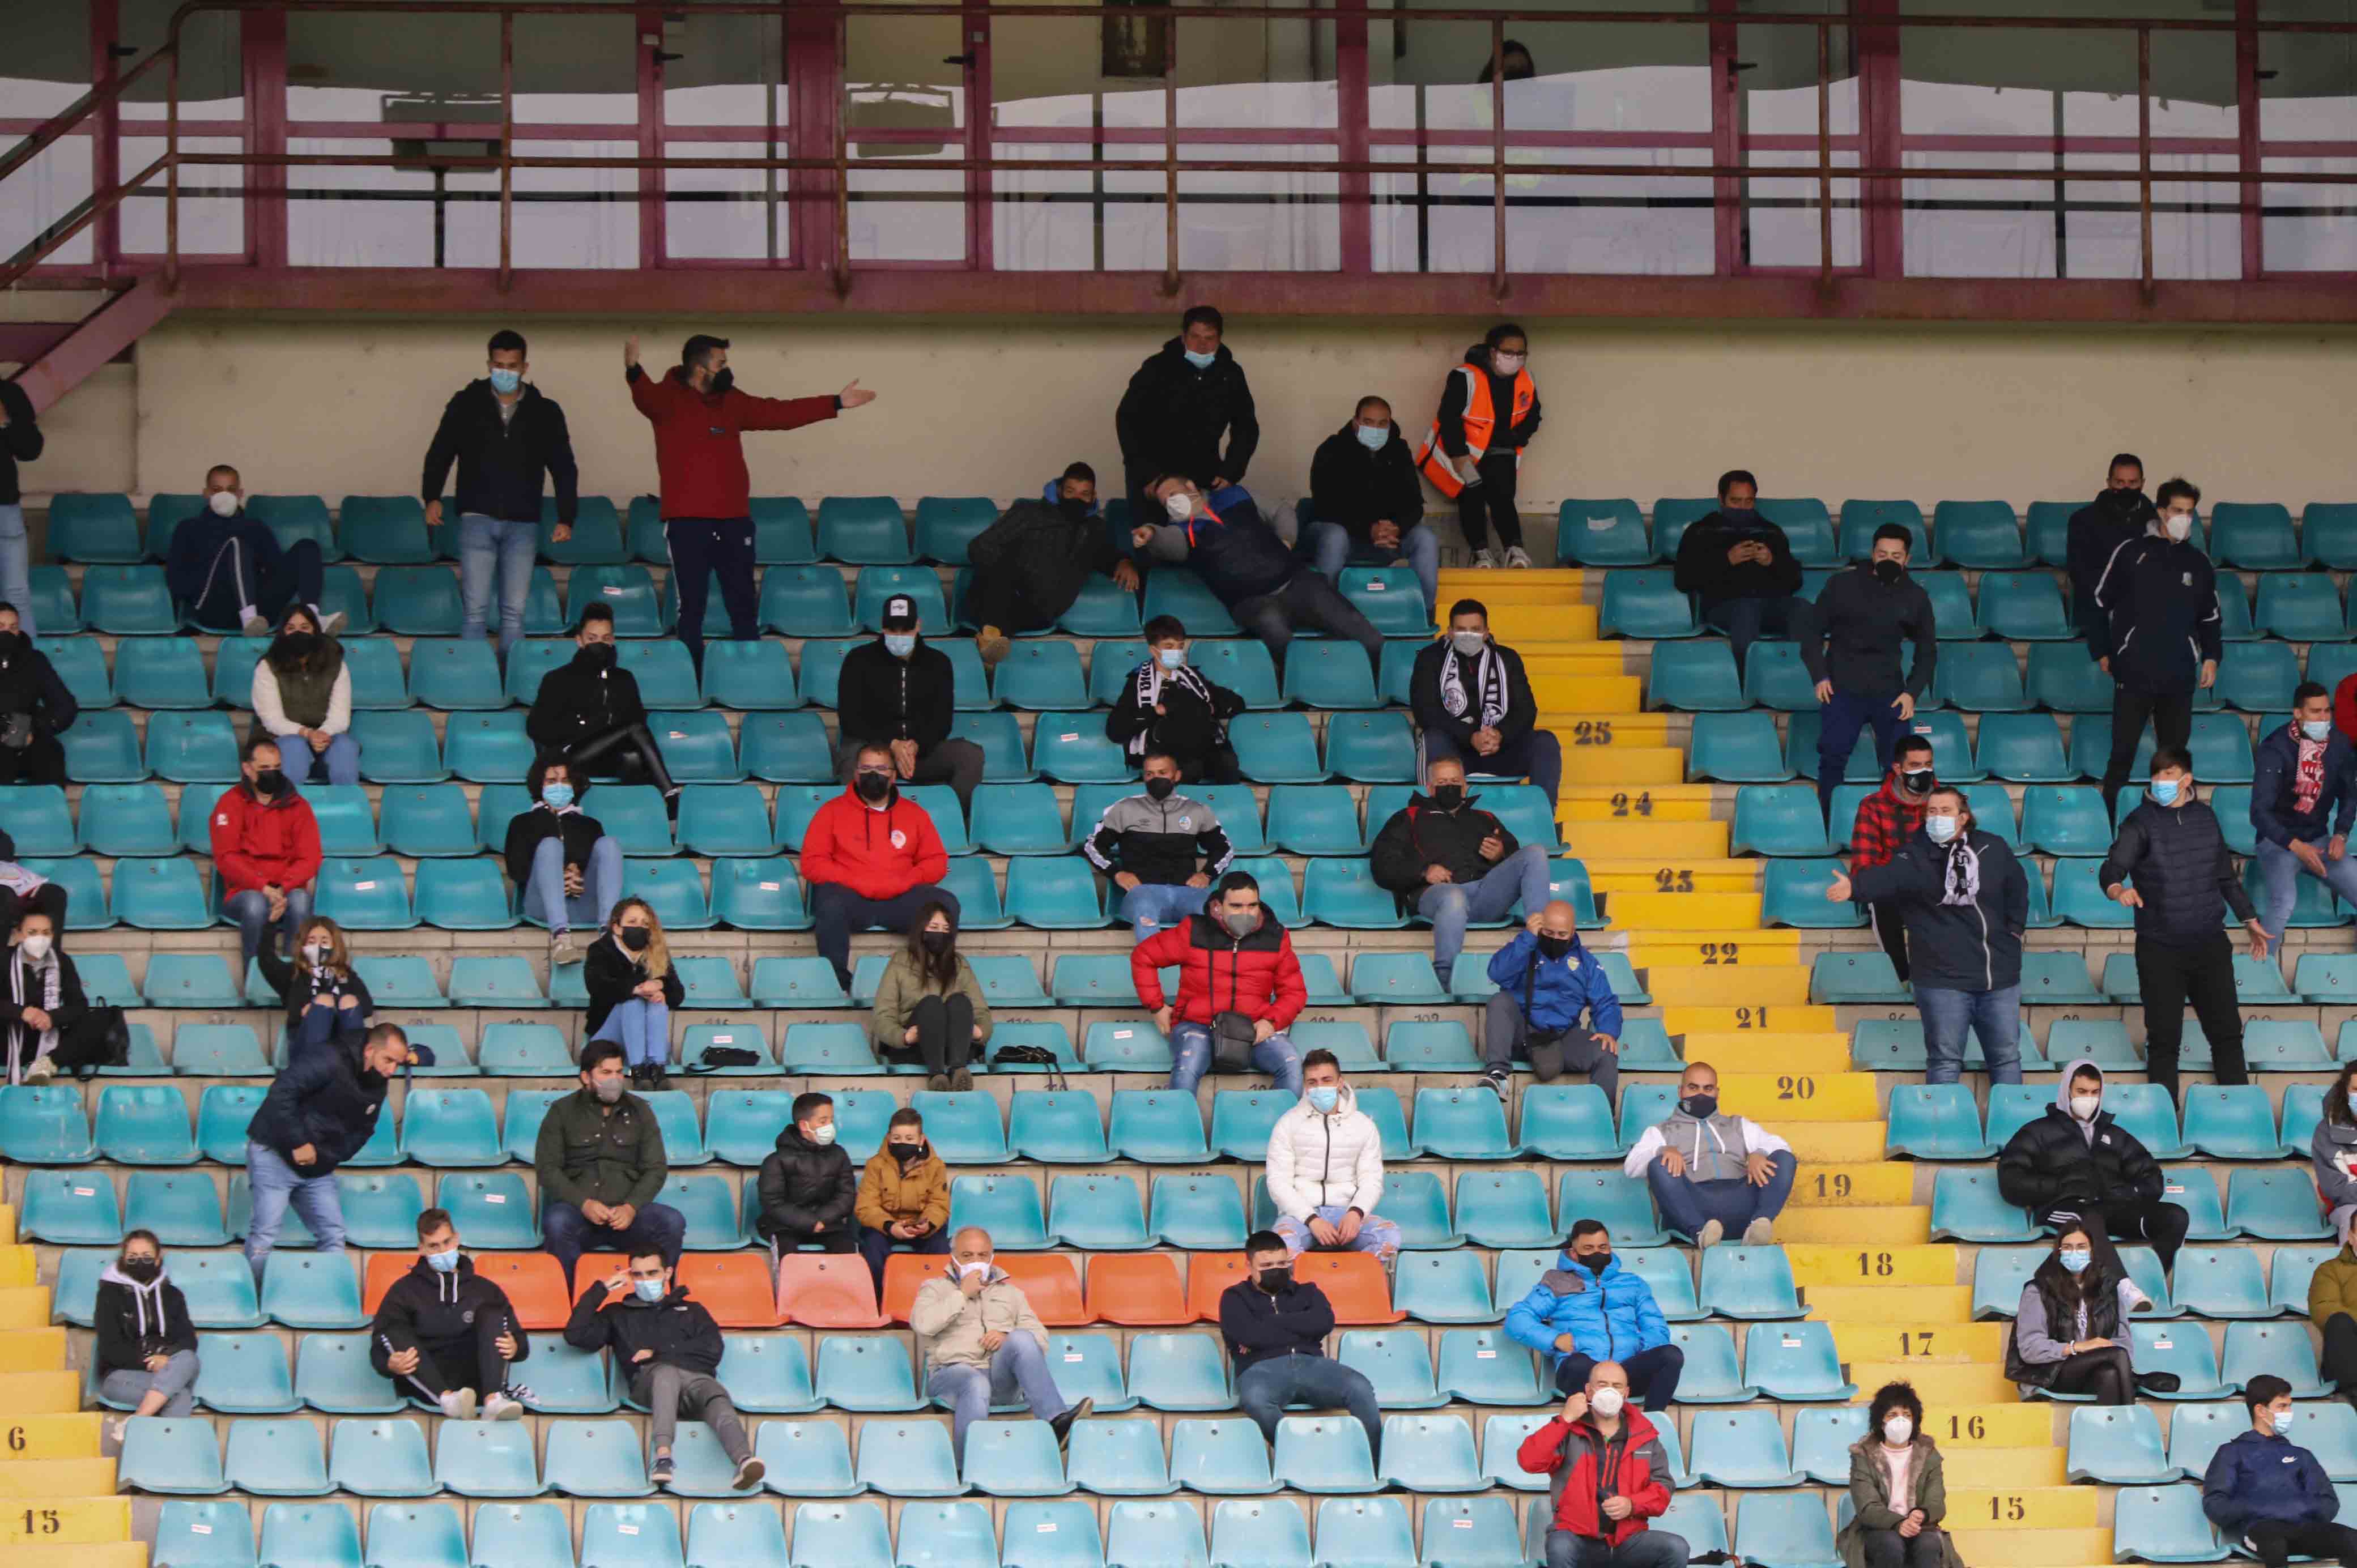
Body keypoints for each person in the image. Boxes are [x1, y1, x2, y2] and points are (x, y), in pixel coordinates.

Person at [626, 331, 874, 670]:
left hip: (734, 521)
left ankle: (751, 676)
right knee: (691, 609)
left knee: (743, 604)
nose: (728, 369)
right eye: (721, 363)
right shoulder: (666, 400)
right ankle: (691, 679)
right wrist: (633, 369)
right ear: (700, 370)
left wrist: (834, 403)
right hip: (686, 523)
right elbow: (643, 396)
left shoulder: (732, 401)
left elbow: (778, 414)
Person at [1827, 786, 2027, 1086]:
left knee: (2006, 1058)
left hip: (1997, 978)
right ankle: (1941, 1131)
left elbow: (2018, 888)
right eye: (1931, 812)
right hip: (1942, 981)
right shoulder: (1913, 855)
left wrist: (2014, 930)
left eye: (1945, 811)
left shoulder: (1991, 848)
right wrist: (1854, 888)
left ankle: (2014, 1131)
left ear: (1963, 817)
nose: (1937, 817)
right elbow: (1884, 879)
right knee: (1945, 1061)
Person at [2099, 747, 2269, 1100]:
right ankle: (2164, 1121)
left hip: (2210, 944)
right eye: (2157, 774)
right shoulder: (2139, 822)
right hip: (2160, 948)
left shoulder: (2206, 818)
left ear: (2186, 779)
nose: (2161, 781)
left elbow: (2225, 877)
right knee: (2164, 1039)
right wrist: (2118, 890)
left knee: (2226, 1034)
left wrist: (2249, 918)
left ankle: (2238, 1112)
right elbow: (2113, 867)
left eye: (2169, 774)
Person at [421, 328, 580, 656]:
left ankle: (512, 685)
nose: (504, 372)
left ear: (525, 367)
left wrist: (567, 516)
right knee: (475, 613)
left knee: (513, 615)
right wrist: (432, 496)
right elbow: (441, 452)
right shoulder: (465, 403)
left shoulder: (546, 411)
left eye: (511, 365)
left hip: (523, 522)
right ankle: (473, 683)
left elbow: (564, 466)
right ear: (488, 364)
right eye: (498, 365)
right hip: (476, 518)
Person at [1134, 474, 1384, 669]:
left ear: (1190, 486)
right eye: (1164, 501)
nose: (1170, 503)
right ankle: (1309, 689)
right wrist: (1150, 533)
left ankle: (1381, 682)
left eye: (1172, 494)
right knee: (1275, 630)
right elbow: (1166, 541)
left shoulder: (1235, 495)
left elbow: (1281, 510)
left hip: (1295, 580)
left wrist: (1286, 538)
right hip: (1252, 602)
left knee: (1362, 631)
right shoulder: (1180, 531)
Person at [566, 1246, 765, 1491]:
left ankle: (744, 1461)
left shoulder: (693, 1310)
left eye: (652, 1273)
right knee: (665, 1373)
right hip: (649, 1385)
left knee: (715, 1392)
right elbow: (575, 1335)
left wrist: (657, 1353)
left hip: (696, 1381)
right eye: (638, 1275)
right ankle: (663, 1458)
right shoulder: (618, 1314)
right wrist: (603, 1289)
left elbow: (712, 1350)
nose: (645, 1281)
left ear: (667, 1273)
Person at [242, 1023, 412, 1284]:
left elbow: (364, 1130)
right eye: (388, 1060)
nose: (391, 1071)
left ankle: (325, 1294)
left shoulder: (378, 1081)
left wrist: (328, 1156)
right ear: (369, 1050)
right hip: (274, 1152)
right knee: (264, 1234)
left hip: (318, 1166)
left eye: (397, 1064)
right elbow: (281, 1093)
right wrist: (298, 1142)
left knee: (333, 1234)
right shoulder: (330, 1057)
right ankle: (255, 1298)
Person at [2092, 478, 2222, 815]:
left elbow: (2210, 617)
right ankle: (2108, 824)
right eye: (2178, 510)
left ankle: (2174, 823)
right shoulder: (2132, 552)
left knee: (2175, 756)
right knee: (2122, 753)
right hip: (2134, 672)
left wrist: (2211, 657)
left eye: (2191, 512)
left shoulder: (2199, 563)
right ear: (2162, 512)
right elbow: (2098, 602)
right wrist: (2104, 651)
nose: (2185, 517)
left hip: (2179, 674)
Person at [913, 1226, 1092, 1460]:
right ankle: (968, 1465)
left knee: (1022, 1338)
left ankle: (1056, 1422)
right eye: (968, 1256)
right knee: (975, 1382)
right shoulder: (934, 1289)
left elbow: (1039, 1337)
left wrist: (1006, 1337)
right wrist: (962, 1294)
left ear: (992, 1257)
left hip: (999, 1379)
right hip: (952, 1377)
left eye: (983, 1256)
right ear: (954, 1258)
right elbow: (923, 1324)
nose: (976, 1262)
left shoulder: (1012, 1293)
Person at [1369, 755, 1552, 982]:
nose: (1450, 787)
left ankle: (1543, 941)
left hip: (1485, 896)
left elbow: (1516, 860)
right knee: (1454, 895)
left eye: (1455, 782)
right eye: (1443, 783)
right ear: (1430, 787)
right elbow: (1382, 864)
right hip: (1435, 896)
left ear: (1465, 787)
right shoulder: (1409, 817)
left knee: (1536, 853)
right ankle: (1445, 977)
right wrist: (1423, 871)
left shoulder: (1484, 818)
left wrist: (1501, 854)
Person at [1996, 1057, 2189, 1269]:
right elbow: (2010, 1178)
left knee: (2175, 1217)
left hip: (2110, 1207)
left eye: (2094, 1093)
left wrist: (2124, 1193)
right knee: (2089, 1218)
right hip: (2062, 1207)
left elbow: (2151, 1177)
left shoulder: (2114, 1135)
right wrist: (2060, 1188)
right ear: (2067, 1091)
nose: (2089, 1098)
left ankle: (2152, 1284)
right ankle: (2124, 1290)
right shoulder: (2038, 1132)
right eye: (2082, 1092)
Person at [801, 742, 961, 991]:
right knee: (828, 902)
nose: (873, 775)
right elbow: (812, 864)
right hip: (852, 899)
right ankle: (836, 982)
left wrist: (906, 880)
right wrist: (855, 880)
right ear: (855, 773)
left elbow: (937, 862)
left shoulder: (914, 814)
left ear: (893, 776)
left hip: (900, 898)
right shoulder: (831, 812)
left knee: (946, 905)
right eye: (866, 768)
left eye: (881, 769)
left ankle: (932, 978)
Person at [1132, 869, 1306, 1096]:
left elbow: (1295, 992)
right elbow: (1144, 956)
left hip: (1253, 1029)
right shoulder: (1194, 930)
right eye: (1236, 906)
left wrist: (1271, 1022)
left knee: (1292, 1064)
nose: (1246, 913)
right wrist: (1156, 1007)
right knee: (1187, 1068)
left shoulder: (1276, 937)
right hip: (1198, 1025)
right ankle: (1180, 1129)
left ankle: (1285, 1131)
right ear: (1218, 906)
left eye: (1252, 906)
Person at [1805, 523, 1936, 813]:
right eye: (1882, 553)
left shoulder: (1915, 597)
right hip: (1841, 687)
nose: (1889, 560)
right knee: (1832, 758)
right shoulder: (1842, 585)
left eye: (1897, 556)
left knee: (1901, 765)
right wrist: (1820, 676)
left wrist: (1912, 693)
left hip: (1889, 691)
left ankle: (1896, 827)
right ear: (1873, 554)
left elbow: (1927, 653)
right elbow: (1812, 634)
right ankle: (1829, 822)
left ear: (1907, 560)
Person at [1222, 1229, 1383, 1463]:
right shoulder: (1234, 1297)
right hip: (1261, 1370)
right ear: (1249, 1266)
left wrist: (1270, 1323)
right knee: (1255, 1400)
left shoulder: (1308, 1291)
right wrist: (1300, 1328)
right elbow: (1248, 1334)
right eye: (1266, 1265)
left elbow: (1324, 1322)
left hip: (1313, 1365)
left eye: (1281, 1263)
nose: (1275, 1270)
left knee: (1360, 1388)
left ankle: (1372, 1467)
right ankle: (1303, 1459)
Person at [534, 1039, 686, 1289]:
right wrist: (584, 1204)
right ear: (586, 1077)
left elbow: (656, 1168)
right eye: (606, 1073)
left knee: (672, 1222)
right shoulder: (561, 1112)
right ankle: (573, 1299)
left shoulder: (641, 1111)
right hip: (579, 1213)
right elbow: (548, 1169)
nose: (615, 1079)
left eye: (619, 1072)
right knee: (557, 1222)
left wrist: (631, 1207)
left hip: (628, 1216)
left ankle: (661, 1296)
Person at [967, 462, 1140, 665]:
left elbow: (1107, 556)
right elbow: (980, 547)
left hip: (1039, 611)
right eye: (1070, 491)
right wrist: (1016, 573)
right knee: (998, 576)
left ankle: (990, 647)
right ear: (1059, 491)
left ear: (1093, 497)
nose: (1077, 499)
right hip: (1001, 595)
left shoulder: (1094, 531)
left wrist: (1124, 561)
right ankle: (990, 641)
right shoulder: (1028, 513)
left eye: (1084, 494)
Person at [1516, 1361, 1683, 1568]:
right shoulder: (1567, 1430)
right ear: (1588, 1390)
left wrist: (1633, 1505)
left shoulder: (1645, 1436)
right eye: (1602, 1385)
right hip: (1578, 1538)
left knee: (1676, 1548)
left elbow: (1663, 1486)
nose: (1610, 1391)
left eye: (1617, 1386)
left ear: (1626, 1393)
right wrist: (1565, 1418)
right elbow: (1529, 1461)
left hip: (1628, 1541)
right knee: (1560, 1544)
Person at [369, 1208, 529, 1421]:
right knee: (396, 1329)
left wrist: (516, 1347)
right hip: (427, 1386)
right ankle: (447, 1399)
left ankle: (494, 1400)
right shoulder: (402, 1291)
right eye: (434, 1246)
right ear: (422, 1249)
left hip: (477, 1383)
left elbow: (521, 1342)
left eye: (446, 1242)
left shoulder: (487, 1290)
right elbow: (380, 1344)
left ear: (457, 1239)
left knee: (491, 1313)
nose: (442, 1251)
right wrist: (389, 1364)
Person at [1505, 1221, 1682, 1408]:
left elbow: (1658, 1329)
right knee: (1577, 1364)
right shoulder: (1557, 1282)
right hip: (1584, 1373)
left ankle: (1650, 1425)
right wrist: (1555, 1339)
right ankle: (1585, 1427)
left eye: (1603, 1247)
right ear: (1574, 1253)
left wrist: (1637, 1344)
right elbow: (1517, 1319)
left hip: (1626, 1372)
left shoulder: (1633, 1283)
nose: (1597, 1253)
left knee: (1671, 1355)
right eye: (1588, 1248)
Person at [1622, 1060, 1796, 1249]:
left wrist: (1758, 1153)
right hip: (1696, 1206)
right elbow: (1631, 1167)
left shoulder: (1738, 1125)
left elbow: (1780, 1145)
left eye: (1708, 1089)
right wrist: (1662, 1150)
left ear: (1717, 1093)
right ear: (1681, 1092)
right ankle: (1700, 1234)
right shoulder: (1661, 1131)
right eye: (1693, 1088)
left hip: (1741, 1204)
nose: (1701, 1095)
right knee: (1659, 1164)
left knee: (1784, 1158)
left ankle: (1758, 1228)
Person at [835, 594, 986, 808]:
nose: (899, 636)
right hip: (875, 752)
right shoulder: (858, 660)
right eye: (892, 630)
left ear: (918, 626)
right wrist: (891, 744)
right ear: (882, 627)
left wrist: (916, 745)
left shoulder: (938, 663)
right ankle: (857, 827)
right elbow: (850, 718)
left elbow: (942, 720)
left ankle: (953, 821)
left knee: (969, 756)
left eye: (905, 630)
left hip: (920, 754)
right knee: (852, 756)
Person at [525, 604, 680, 811]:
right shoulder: (558, 678)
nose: (599, 644)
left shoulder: (624, 679)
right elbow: (537, 728)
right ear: (579, 641)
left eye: (606, 639)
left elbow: (637, 721)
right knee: (633, 729)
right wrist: (585, 724)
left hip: (611, 755)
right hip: (572, 755)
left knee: (632, 757)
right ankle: (670, 797)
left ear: (613, 640)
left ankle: (639, 817)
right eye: (592, 639)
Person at [1411, 598, 1562, 807]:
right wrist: (1470, 737)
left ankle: (1543, 817)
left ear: (1486, 632)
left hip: (1500, 749)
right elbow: (1426, 712)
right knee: (1432, 738)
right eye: (1461, 630)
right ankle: (1434, 817)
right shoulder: (1431, 658)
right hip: (1456, 753)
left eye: (1475, 629)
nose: (1469, 635)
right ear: (1450, 632)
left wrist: (1501, 734)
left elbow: (1526, 711)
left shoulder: (1507, 658)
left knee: (1545, 741)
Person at [165, 465, 343, 638]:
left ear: (240, 494)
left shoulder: (255, 527)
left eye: (231, 490)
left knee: (307, 547)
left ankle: (311, 619)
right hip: (213, 609)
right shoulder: (189, 528)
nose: (224, 495)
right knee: (236, 545)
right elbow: (176, 579)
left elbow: (276, 570)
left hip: (260, 616)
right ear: (206, 494)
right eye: (217, 490)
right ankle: (247, 616)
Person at [1416, 323, 1541, 569]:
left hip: (1501, 453)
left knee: (1503, 498)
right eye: (1508, 352)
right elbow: (1449, 419)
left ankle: (1515, 550)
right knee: (1471, 497)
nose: (1515, 358)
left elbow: (1534, 417)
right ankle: (1481, 552)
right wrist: (1459, 456)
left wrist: (1516, 439)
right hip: (1465, 454)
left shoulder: (1526, 380)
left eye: (1520, 353)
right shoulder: (1465, 377)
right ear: (1492, 352)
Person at [1115, 304, 1258, 515]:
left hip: (1202, 477)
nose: (1201, 345)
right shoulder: (1156, 368)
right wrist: (1147, 475)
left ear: (1219, 339)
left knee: (1201, 540)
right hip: (1154, 478)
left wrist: (1231, 471)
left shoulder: (1231, 374)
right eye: (1195, 337)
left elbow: (1246, 426)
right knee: (1152, 539)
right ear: (1183, 337)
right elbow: (1127, 419)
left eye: (1209, 338)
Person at [2205, 1375, 2357, 1568]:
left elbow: (2328, 1503)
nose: (2289, 1412)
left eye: (2289, 1406)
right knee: (2274, 1544)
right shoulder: (2231, 1452)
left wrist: (2294, 1508)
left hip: (2304, 1529)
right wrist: (2260, 1508)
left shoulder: (2301, 1455)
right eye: (2282, 1407)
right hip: (2261, 1530)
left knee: (2353, 1540)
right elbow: (2215, 1505)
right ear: (2260, 1410)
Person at [1672, 469, 1812, 678]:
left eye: (1749, 502)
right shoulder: (1701, 532)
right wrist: (1726, 560)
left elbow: (1795, 581)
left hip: (1771, 606)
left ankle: (1799, 677)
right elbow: (1683, 579)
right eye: (1735, 501)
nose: (1743, 508)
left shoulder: (1771, 531)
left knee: (1801, 607)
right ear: (1721, 499)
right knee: (1746, 609)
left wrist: (1772, 562)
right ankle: (1750, 680)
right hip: (1724, 607)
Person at [1085, 749, 1236, 940]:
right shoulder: (1125, 808)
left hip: (1188, 892)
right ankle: (1150, 967)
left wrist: (1207, 874)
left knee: (1215, 915)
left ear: (1177, 775)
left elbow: (1225, 848)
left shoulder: (1196, 811)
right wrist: (1117, 873)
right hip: (1143, 892)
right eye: (1150, 774)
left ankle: (1207, 970)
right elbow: (1092, 846)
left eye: (1163, 773)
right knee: (1145, 912)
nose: (1156, 778)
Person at [1264, 1050, 1399, 1260]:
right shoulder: (1287, 1124)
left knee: (1389, 1236)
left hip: (1346, 1213)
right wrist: (1311, 1219)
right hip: (1301, 1216)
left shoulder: (1364, 1126)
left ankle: (1352, 1287)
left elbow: (1372, 1180)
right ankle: (1307, 1291)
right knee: (1282, 1244)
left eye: (1327, 1080)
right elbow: (1278, 1183)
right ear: (1306, 1087)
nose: (1320, 1087)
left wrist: (1356, 1213)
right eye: (1312, 1082)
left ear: (1340, 1083)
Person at [1308, 395, 1437, 616]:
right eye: (1368, 422)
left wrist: (1397, 528)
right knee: (1335, 535)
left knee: (1425, 538)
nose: (1375, 428)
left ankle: (1422, 614)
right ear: (1355, 422)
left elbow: (1414, 504)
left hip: (1388, 539)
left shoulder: (1399, 450)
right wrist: (1369, 529)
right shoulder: (1331, 449)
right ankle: (1324, 614)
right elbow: (1325, 505)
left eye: (1382, 423)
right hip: (1341, 535)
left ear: (1389, 423)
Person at [2004, 1224, 2159, 1404]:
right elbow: (2030, 1348)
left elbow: (2124, 1342)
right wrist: (2076, 1347)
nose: (2074, 1253)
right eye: (2068, 1248)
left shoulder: (2109, 1289)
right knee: (2116, 1355)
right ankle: (2131, 1418)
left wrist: (2099, 1348)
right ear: (2059, 1252)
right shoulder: (2038, 1290)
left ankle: (2113, 1430)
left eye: (2081, 1247)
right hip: (2050, 1373)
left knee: (2109, 1374)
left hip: (2096, 1370)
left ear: (2092, 1251)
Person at [1482, 901, 1620, 1101]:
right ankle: (1497, 1076)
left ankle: (1603, 1120)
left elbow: (1606, 1002)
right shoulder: (1525, 948)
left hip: (1562, 1036)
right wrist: (1527, 938)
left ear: (1573, 931)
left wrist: (1609, 1030)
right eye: (1549, 933)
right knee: (1500, 1001)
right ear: (1540, 927)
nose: (1555, 938)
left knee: (1606, 1052)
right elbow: (1497, 973)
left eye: (1562, 934)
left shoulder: (1586, 962)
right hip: (1522, 1034)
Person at [2252, 681, 2357, 944]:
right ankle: (2263, 974)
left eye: (2327, 711)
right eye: (2315, 712)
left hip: (2319, 840)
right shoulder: (2274, 748)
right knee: (2283, 903)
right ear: (2297, 714)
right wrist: (2296, 846)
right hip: (2278, 843)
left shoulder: (2340, 743)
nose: (2323, 718)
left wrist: (2341, 834)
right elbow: (2259, 813)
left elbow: (2350, 795)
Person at [210, 735, 322, 968]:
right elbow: (226, 857)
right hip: (245, 891)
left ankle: (296, 977)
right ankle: (256, 978)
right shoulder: (230, 803)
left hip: (287, 889)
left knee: (301, 902)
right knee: (255, 905)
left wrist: (283, 888)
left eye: (277, 767)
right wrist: (263, 887)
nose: (272, 772)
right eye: (265, 768)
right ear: (248, 769)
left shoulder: (298, 805)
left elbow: (310, 858)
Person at [504, 757, 623, 964]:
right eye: (551, 781)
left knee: (609, 844)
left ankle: (608, 937)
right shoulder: (522, 823)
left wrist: (577, 873)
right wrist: (558, 878)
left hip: (583, 904)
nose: (559, 786)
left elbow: (600, 869)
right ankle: (560, 937)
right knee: (550, 845)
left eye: (565, 781)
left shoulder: (590, 825)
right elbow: (517, 871)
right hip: (541, 905)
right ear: (539, 785)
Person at [1837, 1382, 1963, 1568]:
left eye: (1907, 1415)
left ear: (1915, 1421)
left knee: (1929, 1545)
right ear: (1881, 1421)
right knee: (1890, 1544)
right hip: (1878, 1529)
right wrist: (1898, 1523)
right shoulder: (1863, 1456)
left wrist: (1922, 1514)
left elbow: (1937, 1503)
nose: (1900, 1421)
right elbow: (1867, 1508)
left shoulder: (1929, 1455)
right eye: (1893, 1415)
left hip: (1920, 1528)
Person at [1106, 616, 1246, 783]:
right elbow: (1115, 730)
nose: (1177, 653)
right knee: (1188, 768)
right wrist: (1159, 710)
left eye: (1180, 647)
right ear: (1153, 650)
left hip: (1200, 745)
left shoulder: (1192, 677)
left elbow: (1236, 703)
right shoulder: (1137, 682)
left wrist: (1208, 709)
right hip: (1163, 750)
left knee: (1227, 763)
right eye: (1169, 647)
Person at [1846, 735, 1938, 982]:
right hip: (1893, 885)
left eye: (1928, 764)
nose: (1925, 771)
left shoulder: (1946, 803)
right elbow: (1864, 862)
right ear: (1898, 769)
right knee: (1880, 894)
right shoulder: (1873, 806)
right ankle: (1904, 979)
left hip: (1935, 885)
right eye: (1916, 766)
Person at [872, 902, 992, 1090]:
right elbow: (882, 1016)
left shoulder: (959, 964)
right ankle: (937, 1076)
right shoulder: (900, 961)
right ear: (921, 929)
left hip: (956, 1046)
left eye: (946, 929)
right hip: (917, 1047)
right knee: (932, 1005)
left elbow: (981, 1012)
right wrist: (904, 1037)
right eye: (934, 928)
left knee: (959, 1001)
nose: (940, 934)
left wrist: (980, 1032)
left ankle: (959, 1070)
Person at [94, 1231, 198, 1442]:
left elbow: (188, 1339)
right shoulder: (109, 1295)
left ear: (158, 1259)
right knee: (180, 1396)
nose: (139, 1262)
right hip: (120, 1377)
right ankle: (166, 1463)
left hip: (165, 1371)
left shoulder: (173, 1295)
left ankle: (137, 1421)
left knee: (189, 1358)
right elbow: (110, 1348)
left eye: (146, 1256)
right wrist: (152, 1362)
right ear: (123, 1259)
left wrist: (167, 1359)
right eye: (132, 1257)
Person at [252, 605, 359, 787]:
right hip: (283, 741)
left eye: (305, 627)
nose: (298, 633)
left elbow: (340, 717)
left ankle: (346, 808)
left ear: (315, 631)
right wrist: (307, 734)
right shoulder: (268, 666)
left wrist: (321, 735)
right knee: (295, 747)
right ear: (282, 633)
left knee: (345, 746)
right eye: (291, 628)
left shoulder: (336, 665)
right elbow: (272, 720)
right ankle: (286, 809)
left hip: (326, 740)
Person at [582, 897, 682, 1089]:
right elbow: (598, 987)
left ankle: (657, 1069)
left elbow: (678, 994)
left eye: (645, 924)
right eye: (632, 922)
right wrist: (639, 988)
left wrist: (660, 986)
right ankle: (639, 1071)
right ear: (617, 927)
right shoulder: (600, 950)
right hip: (608, 1038)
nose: (639, 928)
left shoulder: (657, 952)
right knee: (633, 1002)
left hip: (645, 1039)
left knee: (658, 1002)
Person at [857, 1107, 951, 1292]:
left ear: (921, 1140)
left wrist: (928, 1225)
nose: (903, 1143)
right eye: (897, 1138)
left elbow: (939, 1204)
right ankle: (879, 1300)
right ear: (889, 1138)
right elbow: (866, 1207)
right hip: (885, 1226)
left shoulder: (936, 1166)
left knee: (939, 1246)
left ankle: (935, 1300)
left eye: (909, 1139)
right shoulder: (875, 1165)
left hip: (921, 1227)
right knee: (872, 1246)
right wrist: (890, 1226)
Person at [2066, 453, 2154, 650]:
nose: (2126, 488)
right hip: (2101, 607)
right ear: (2108, 483)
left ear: (2143, 483)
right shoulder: (2082, 521)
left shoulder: (2158, 522)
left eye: (2133, 483)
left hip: (2147, 607)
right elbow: (2080, 574)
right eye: (2120, 482)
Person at [257, 914, 372, 1063]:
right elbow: (266, 960)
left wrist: (335, 1006)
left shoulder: (346, 975)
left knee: (349, 1001)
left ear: (335, 945)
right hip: (306, 1051)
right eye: (312, 941)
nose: (318, 946)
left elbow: (367, 1007)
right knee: (322, 1004)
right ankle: (316, 1069)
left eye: (324, 941)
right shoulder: (293, 974)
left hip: (341, 1047)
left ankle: (354, 1066)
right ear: (303, 945)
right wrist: (271, 923)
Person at [757, 1090, 858, 1258]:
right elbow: (773, 1202)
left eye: (831, 1121)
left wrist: (821, 1219)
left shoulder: (839, 1155)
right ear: (804, 1126)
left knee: (846, 1248)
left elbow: (846, 1196)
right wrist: (809, 1222)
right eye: (823, 1121)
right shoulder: (777, 1160)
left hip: (829, 1224)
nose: (830, 1127)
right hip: (785, 1226)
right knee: (787, 1252)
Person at [0, 907, 85, 1085]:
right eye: (32, 932)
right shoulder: (4, 959)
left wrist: (52, 1017)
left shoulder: (62, 961)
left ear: (53, 936)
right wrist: (21, 1012)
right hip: (8, 1038)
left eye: (46, 933)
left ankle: (46, 1064)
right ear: (18, 935)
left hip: (48, 1036)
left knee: (100, 1019)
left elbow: (78, 1005)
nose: (40, 938)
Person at [0, 602, 73, 785]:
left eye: (13, 627)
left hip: (23, 735)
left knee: (51, 752)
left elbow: (65, 706)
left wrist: (35, 729)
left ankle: (48, 812)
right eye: (0, 627)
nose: (7, 633)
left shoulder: (34, 660)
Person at [0, 374, 40, 638]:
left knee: (17, 593)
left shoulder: (9, 393)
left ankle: (26, 667)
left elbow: (30, 449)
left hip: (5, 508)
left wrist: (6, 421)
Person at [2304, 1222, 2357, 1401]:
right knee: (2339, 1322)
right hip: (2351, 1350)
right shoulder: (2329, 1270)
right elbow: (2324, 1309)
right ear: (2351, 1236)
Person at [2315, 1063, 2357, 1247]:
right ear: (2345, 1092)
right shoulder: (2326, 1132)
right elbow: (2337, 1190)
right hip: (2347, 1206)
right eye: (2356, 1089)